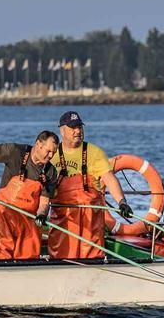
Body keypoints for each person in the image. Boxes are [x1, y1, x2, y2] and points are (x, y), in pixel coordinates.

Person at [48, 111, 133, 259]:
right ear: (62, 130)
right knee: (61, 256)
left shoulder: (94, 152)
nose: (78, 131)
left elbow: (110, 179)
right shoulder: (52, 154)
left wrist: (122, 202)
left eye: (80, 127)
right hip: (63, 221)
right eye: (73, 127)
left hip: (90, 222)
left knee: (92, 256)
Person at [0, 131, 59, 260]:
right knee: (2, 249)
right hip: (5, 214)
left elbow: (44, 201)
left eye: (53, 153)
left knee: (29, 255)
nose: (50, 156)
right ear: (38, 144)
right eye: (48, 151)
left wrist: (42, 214)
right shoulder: (15, 152)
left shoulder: (50, 172)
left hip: (28, 219)